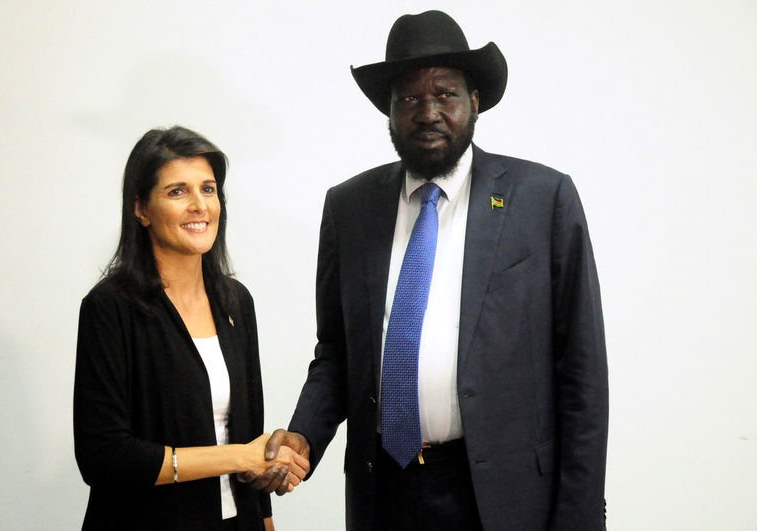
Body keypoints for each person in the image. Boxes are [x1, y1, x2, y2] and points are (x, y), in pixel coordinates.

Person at [248, 10, 608, 531]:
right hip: (385, 492)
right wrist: (303, 435)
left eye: (445, 94)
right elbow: (338, 354)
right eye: (410, 99)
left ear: (474, 102)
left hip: (505, 497)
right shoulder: (350, 208)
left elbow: (583, 373)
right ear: (390, 113)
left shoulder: (542, 200)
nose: (428, 112)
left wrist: (579, 517)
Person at [73, 126, 309, 531]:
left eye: (209, 189)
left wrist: (266, 499)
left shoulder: (236, 301)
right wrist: (239, 456)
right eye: (177, 191)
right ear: (141, 209)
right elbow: (104, 456)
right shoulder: (109, 307)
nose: (200, 205)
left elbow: (249, 431)